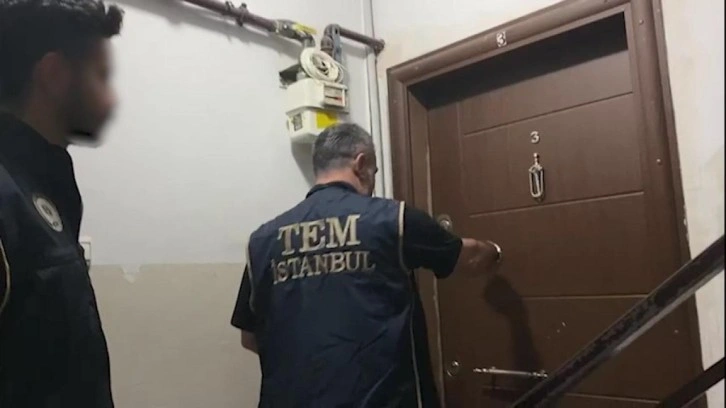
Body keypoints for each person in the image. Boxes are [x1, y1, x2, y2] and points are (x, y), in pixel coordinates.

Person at [231, 123, 502, 407]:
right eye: (374, 171)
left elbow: (249, 338)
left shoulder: (262, 241)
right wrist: (495, 252)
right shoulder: (393, 220)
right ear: (361, 164)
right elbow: (467, 257)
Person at [0, 1, 123, 406]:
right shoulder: (8, 196)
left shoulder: (44, 187)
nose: (112, 99)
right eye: (101, 76)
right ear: (53, 75)